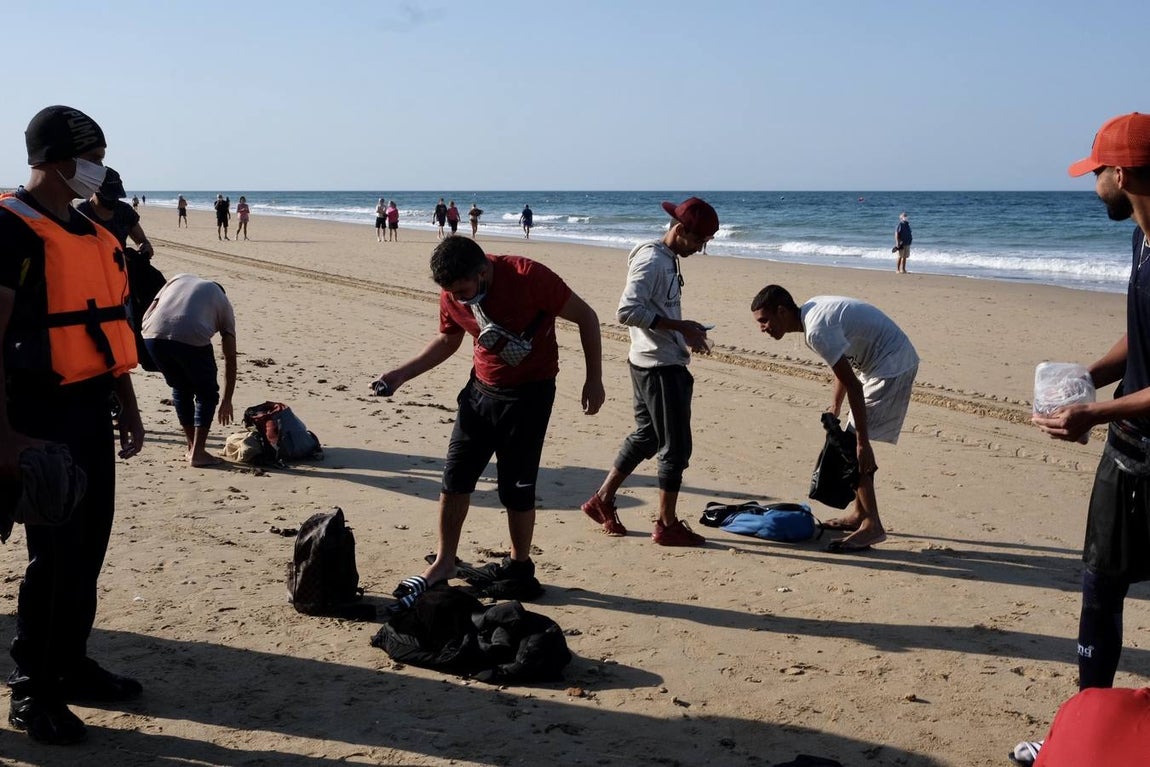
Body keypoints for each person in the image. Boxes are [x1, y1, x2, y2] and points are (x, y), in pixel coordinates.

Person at [0, 105, 146, 745]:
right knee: (52, 556)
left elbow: (105, 323)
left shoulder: (91, 231)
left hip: (89, 406)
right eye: (93, 158)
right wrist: (5, 436)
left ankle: (71, 662)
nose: (100, 170)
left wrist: (127, 403)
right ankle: (33, 688)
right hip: (34, 413)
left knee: (88, 546)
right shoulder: (10, 229)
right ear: (59, 161)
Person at [373, 237, 604, 595]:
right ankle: (445, 561)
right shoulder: (452, 293)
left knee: (517, 488)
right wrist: (400, 375)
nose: (458, 298)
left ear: (482, 272)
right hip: (480, 392)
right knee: (455, 478)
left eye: (462, 291)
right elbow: (447, 340)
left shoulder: (528, 276)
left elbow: (587, 317)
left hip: (530, 395)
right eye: (451, 293)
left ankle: (519, 565)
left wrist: (594, 379)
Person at [1026, 114, 1150, 762]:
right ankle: (1083, 738)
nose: (1092, 183)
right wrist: (1087, 380)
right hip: (1127, 447)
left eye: (1095, 172)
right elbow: (1142, 332)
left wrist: (1093, 414)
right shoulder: (1140, 237)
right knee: (1100, 589)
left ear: (1120, 174)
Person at [580, 197, 718, 546]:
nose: (700, 248)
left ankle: (602, 499)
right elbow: (626, 311)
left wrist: (684, 330)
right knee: (675, 447)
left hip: (651, 360)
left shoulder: (667, 258)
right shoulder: (652, 259)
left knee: (649, 437)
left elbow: (655, 309)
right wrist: (679, 328)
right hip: (658, 367)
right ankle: (667, 524)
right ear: (680, 229)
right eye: (698, 241)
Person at [749, 285, 918, 553]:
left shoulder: (816, 330)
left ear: (782, 311)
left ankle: (872, 525)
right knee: (851, 443)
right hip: (881, 361)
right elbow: (843, 364)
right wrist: (835, 406)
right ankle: (859, 514)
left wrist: (863, 442)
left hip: (891, 365)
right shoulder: (811, 314)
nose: (762, 328)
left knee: (851, 448)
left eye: (764, 321)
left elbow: (854, 385)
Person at [142, 274, 237, 467]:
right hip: (191, 333)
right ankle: (198, 452)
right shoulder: (224, 303)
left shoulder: (179, 278)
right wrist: (227, 400)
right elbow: (230, 358)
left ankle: (191, 446)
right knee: (206, 393)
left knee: (180, 387)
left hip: (151, 333)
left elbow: (150, 309)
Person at [76, 167, 154, 259]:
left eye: (116, 196)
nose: (113, 200)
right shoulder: (82, 213)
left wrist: (145, 248)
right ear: (95, 190)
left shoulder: (125, 211)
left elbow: (142, 241)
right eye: (109, 196)